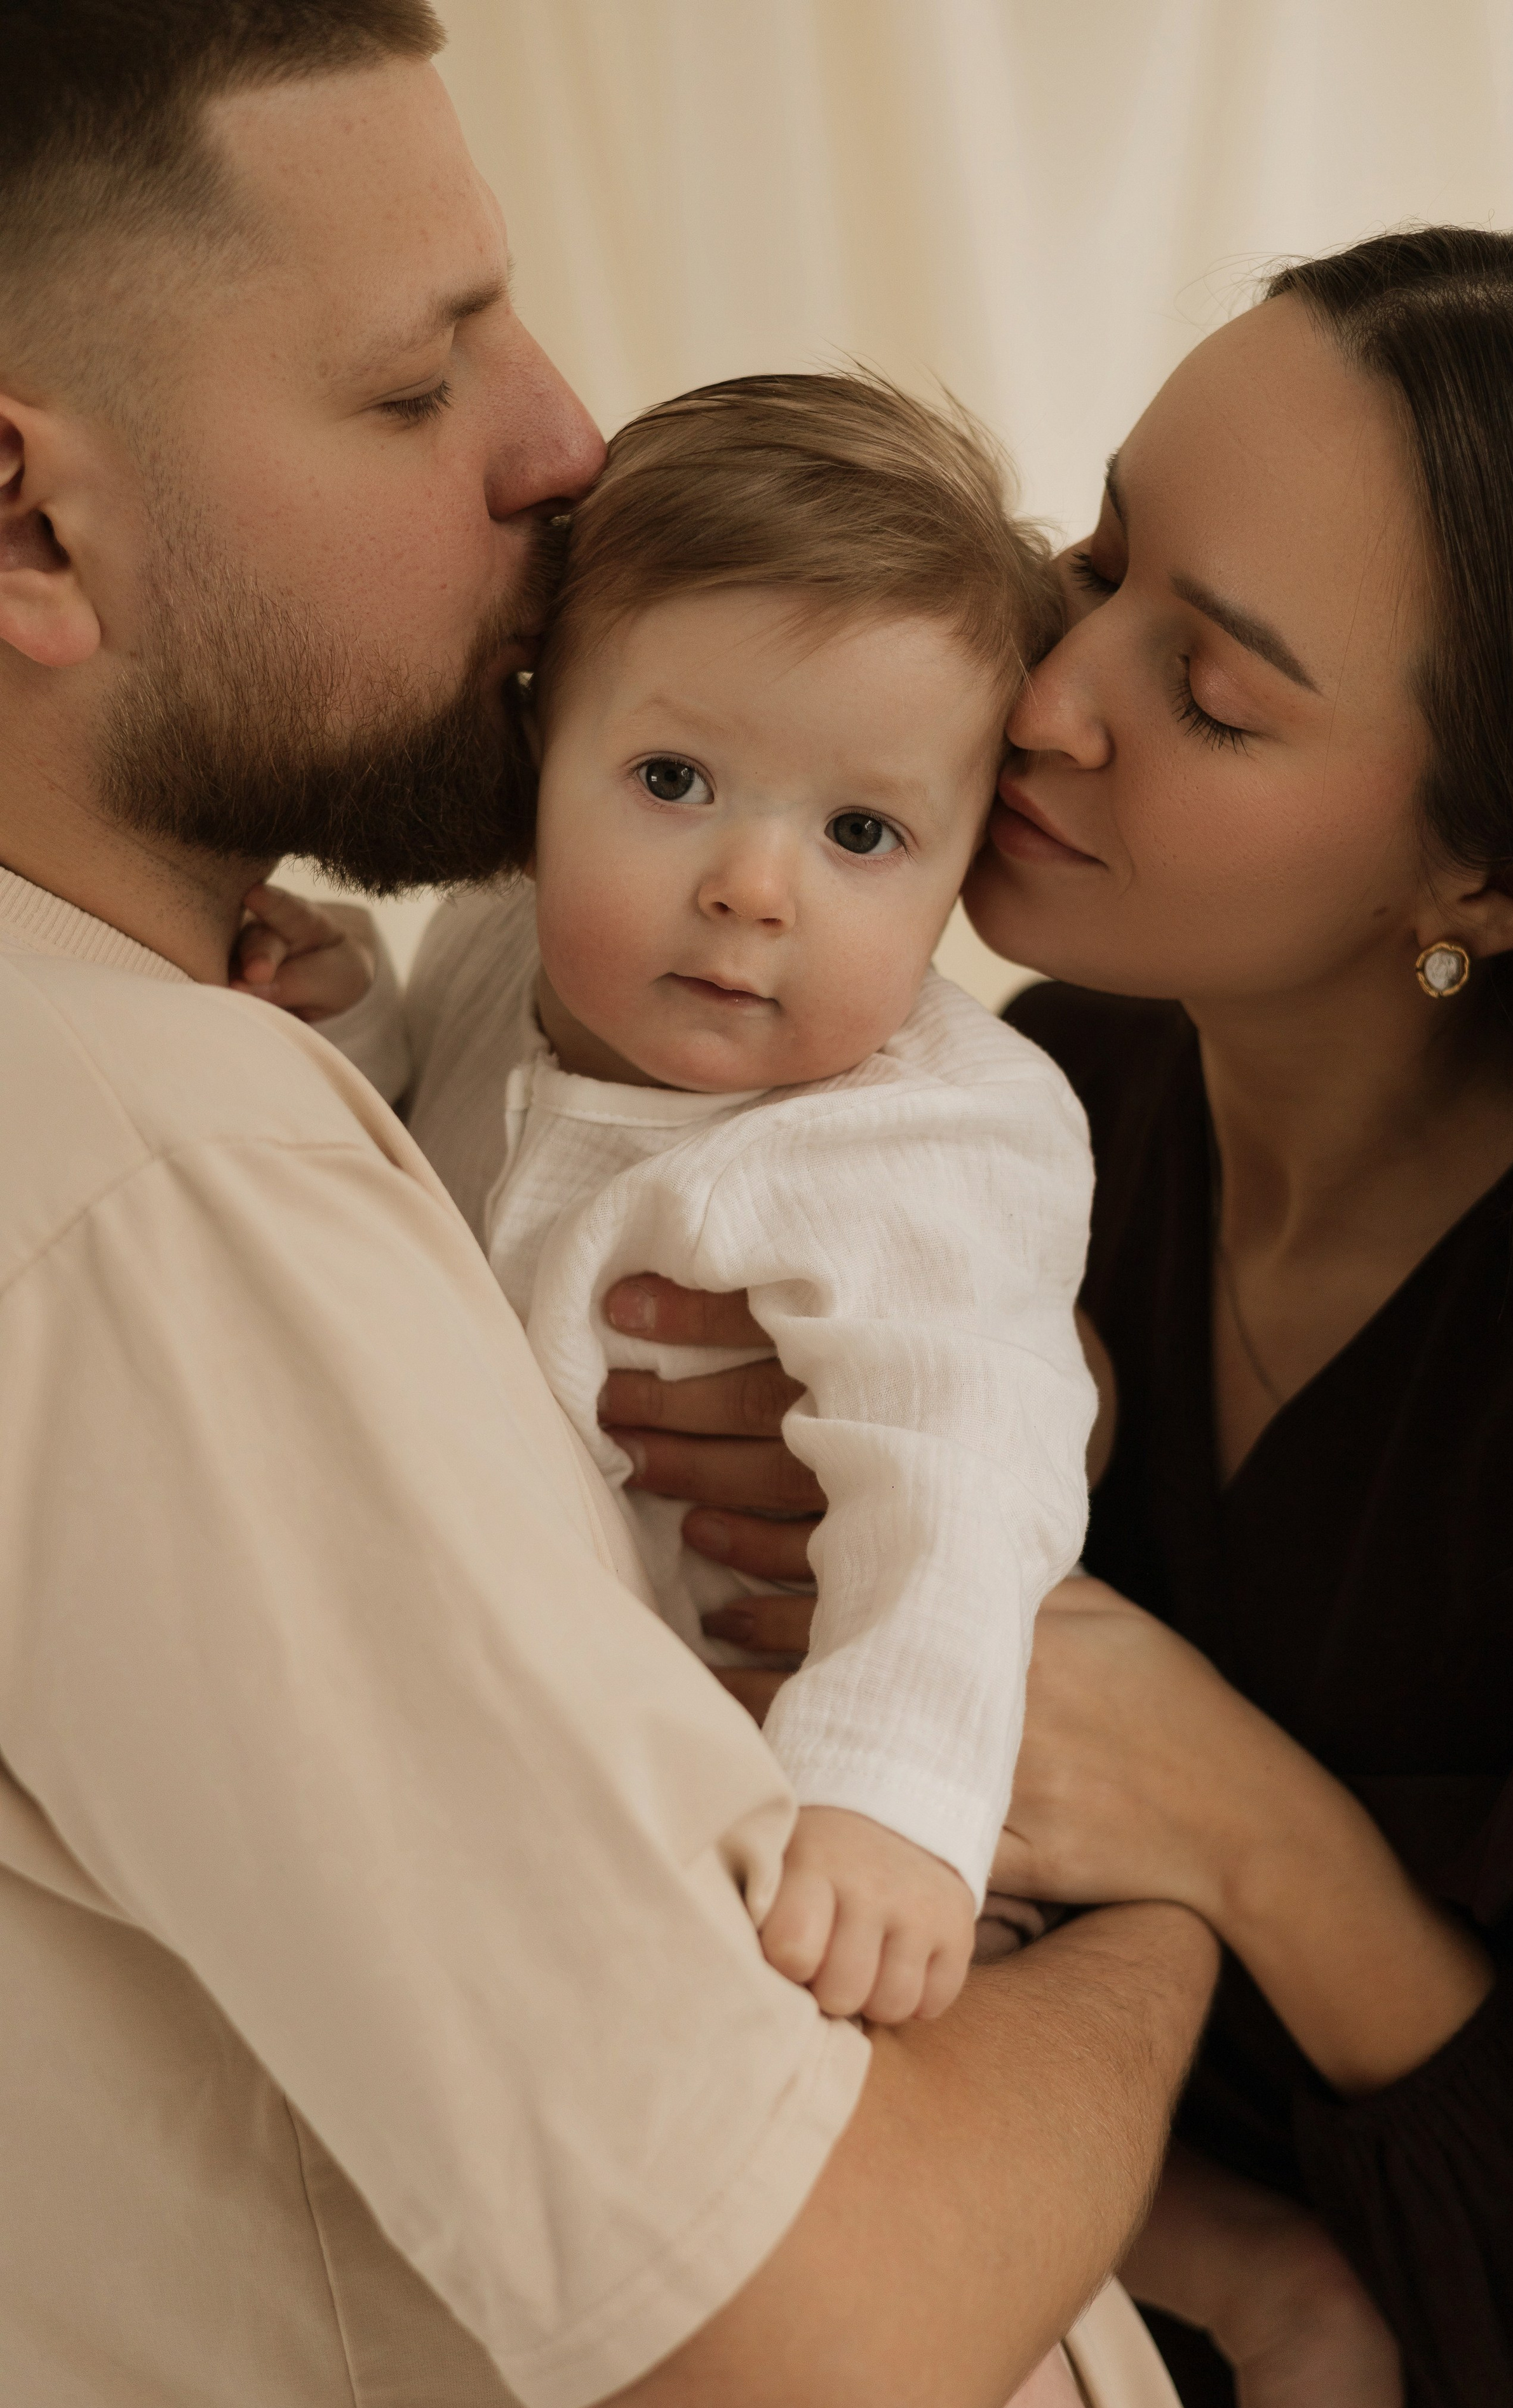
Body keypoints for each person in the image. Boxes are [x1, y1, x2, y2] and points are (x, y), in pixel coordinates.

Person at [0, 5, 1218, 2408]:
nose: (565, 440)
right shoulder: (156, 1188)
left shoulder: (261, 1071)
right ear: (30, 525)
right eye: (414, 377)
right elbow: (816, 2350)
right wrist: (1179, 1901)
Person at [626, 232, 1513, 2408]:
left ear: (1499, 880)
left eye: (1220, 694)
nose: (1051, 691)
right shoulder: (1012, 1100)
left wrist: (1249, 1830)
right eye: (1097, 559)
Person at [245, 370, 1098, 2035]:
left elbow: (968, 1483)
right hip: (518, 1724)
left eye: (862, 829)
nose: (750, 887)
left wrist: (892, 1795)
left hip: (786, 1772)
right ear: (536, 748)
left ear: (966, 853)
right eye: (672, 782)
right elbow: (414, 1171)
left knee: (879, 2003)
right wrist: (345, 1020)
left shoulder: (921, 1139)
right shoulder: (507, 937)